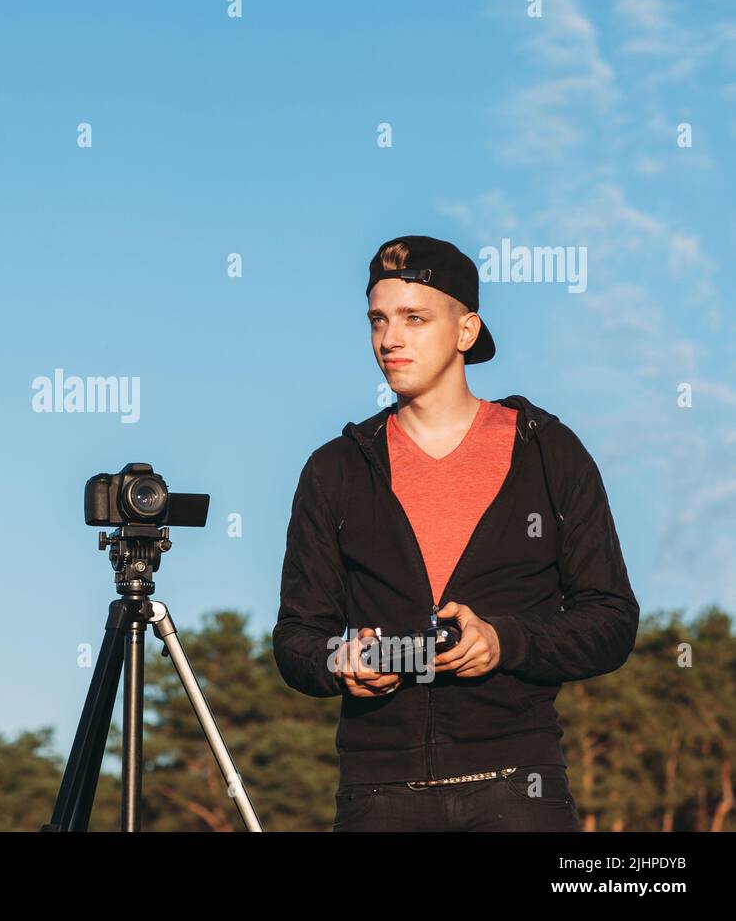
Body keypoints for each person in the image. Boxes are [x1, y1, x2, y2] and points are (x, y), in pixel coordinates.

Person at [273, 234, 639, 831]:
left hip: (520, 790)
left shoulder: (548, 450)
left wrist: (506, 641)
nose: (390, 339)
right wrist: (338, 660)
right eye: (378, 320)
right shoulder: (334, 468)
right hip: (376, 794)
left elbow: (611, 620)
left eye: (414, 319)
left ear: (466, 331)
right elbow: (295, 639)